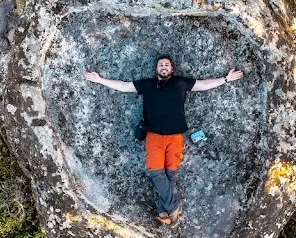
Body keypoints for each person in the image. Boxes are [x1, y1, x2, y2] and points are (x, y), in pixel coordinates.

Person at [84, 56, 244, 226]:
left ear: (171, 69)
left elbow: (203, 85)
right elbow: (123, 86)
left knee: (170, 175)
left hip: (176, 136)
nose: (164, 67)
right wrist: (100, 80)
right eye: (161, 65)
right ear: (156, 69)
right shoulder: (148, 85)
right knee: (156, 173)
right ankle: (173, 208)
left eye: (167, 64)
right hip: (153, 136)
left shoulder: (180, 83)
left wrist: (226, 79)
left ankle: (163, 210)